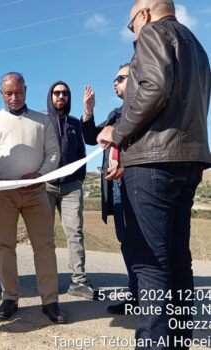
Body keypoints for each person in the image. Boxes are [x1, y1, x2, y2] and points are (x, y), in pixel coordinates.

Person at [96, 0, 211, 347]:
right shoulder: (198, 47)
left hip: (152, 163)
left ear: (143, 15)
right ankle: (178, 340)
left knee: (150, 264)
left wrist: (116, 133)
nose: (133, 31)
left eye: (131, 24)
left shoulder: (152, 34)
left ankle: (153, 343)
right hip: (188, 160)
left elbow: (154, 88)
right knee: (178, 259)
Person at [0, 72, 66, 324]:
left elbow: (53, 153)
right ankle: (10, 298)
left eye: (18, 92)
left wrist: (40, 175)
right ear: (2, 93)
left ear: (26, 90)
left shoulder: (42, 121)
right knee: (5, 246)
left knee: (45, 246)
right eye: (8, 93)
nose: (14, 98)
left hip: (36, 192)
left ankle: (50, 301)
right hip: (3, 194)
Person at [81, 64, 138, 313]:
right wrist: (88, 111)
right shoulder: (116, 113)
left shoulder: (143, 110)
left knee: (143, 242)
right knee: (127, 241)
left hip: (137, 182)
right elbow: (91, 136)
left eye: (120, 78)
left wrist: (128, 164)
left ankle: (151, 299)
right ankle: (136, 296)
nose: (114, 83)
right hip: (115, 185)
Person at [45, 81, 98, 300]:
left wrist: (88, 112)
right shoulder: (41, 121)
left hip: (71, 188)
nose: (61, 96)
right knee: (44, 236)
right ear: (50, 96)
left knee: (75, 233)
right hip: (46, 186)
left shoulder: (75, 123)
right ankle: (47, 282)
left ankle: (78, 281)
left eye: (65, 93)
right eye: (56, 93)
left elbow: (87, 142)